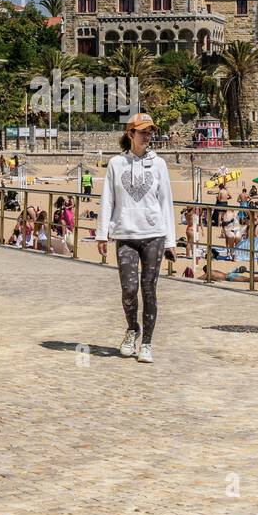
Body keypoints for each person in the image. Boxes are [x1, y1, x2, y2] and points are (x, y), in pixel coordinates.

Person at [97, 113, 176, 364]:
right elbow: (107, 199)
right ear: (130, 133)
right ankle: (132, 330)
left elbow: (166, 202)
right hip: (125, 234)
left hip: (154, 235)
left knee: (149, 289)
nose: (147, 135)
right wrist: (102, 233)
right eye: (142, 131)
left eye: (150, 131)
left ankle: (148, 343)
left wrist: (171, 241)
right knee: (129, 289)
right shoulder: (116, 164)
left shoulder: (159, 164)